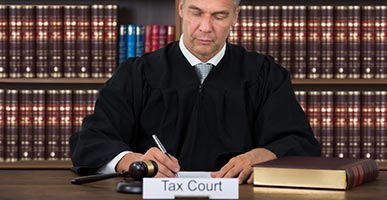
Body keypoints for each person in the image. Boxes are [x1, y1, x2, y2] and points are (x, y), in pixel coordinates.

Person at [70, 0, 321, 184]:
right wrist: (135, 162)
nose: (205, 27)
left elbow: (300, 143)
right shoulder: (138, 74)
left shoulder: (264, 74)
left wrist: (265, 155)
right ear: (180, 8)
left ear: (236, 16)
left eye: (219, 16)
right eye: (196, 12)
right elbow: (91, 142)